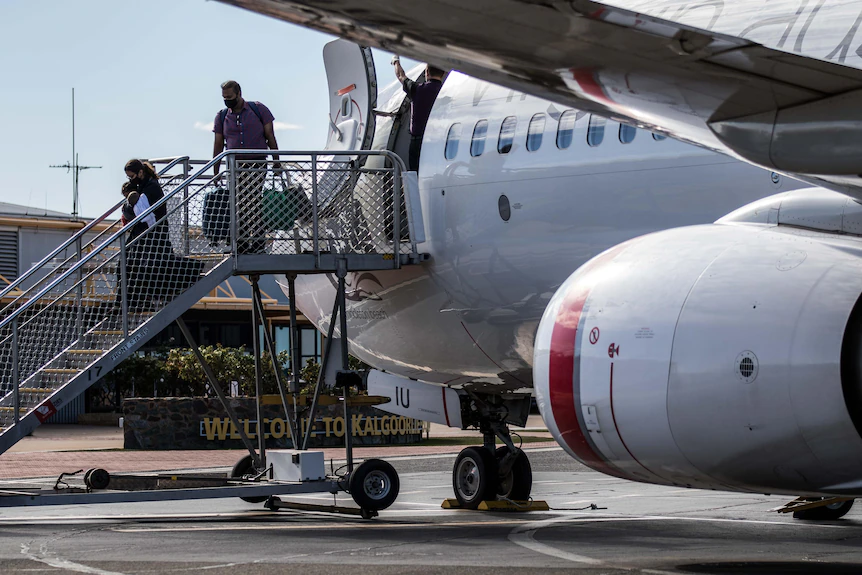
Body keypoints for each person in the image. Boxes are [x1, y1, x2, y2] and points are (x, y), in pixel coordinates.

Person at [212, 80, 280, 253]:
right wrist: (215, 170)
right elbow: (218, 144)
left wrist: (276, 161)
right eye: (224, 97)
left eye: (230, 97)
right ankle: (241, 245)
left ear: (239, 94)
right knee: (237, 204)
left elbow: (270, 136)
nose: (227, 101)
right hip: (235, 165)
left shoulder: (258, 109)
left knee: (253, 201)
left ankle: (257, 243)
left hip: (256, 162)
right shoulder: (221, 116)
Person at [393, 58, 445, 171]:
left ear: (426, 72)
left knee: (416, 173)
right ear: (443, 74)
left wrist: (395, 61)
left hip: (418, 141)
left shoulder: (418, 89)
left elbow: (400, 75)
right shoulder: (446, 93)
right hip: (439, 141)